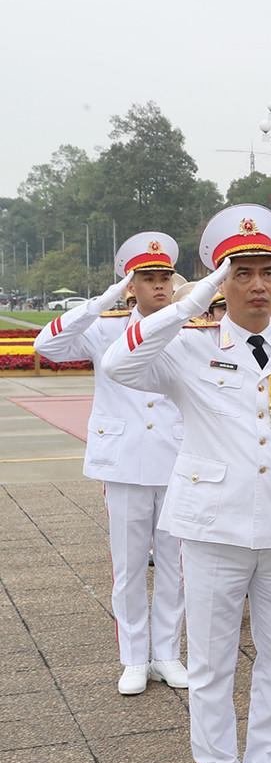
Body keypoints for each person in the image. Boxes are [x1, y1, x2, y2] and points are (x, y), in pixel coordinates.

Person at [103, 204, 271, 763]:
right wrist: (186, 304)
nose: (259, 285)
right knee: (210, 660)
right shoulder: (189, 346)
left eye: (267, 271)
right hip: (212, 525)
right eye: (242, 273)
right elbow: (118, 363)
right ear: (219, 280)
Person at [33, 231, 188, 696]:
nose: (159, 286)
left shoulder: (190, 329)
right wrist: (101, 303)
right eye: (148, 278)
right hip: (124, 460)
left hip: (179, 457)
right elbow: (47, 346)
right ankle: (134, 658)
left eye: (165, 277)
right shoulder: (105, 328)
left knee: (176, 567)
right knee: (127, 568)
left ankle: (167, 654)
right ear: (131, 285)